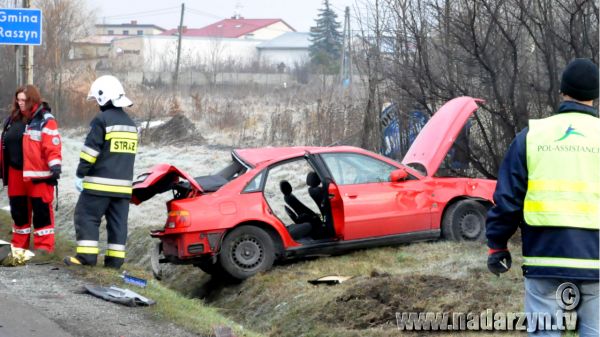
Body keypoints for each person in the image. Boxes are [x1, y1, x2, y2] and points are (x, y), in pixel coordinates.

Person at [486, 58, 599, 336]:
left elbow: (508, 199)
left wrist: (497, 244)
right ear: (595, 97)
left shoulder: (532, 137)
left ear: (562, 92)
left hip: (544, 259)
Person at [64, 75, 137, 269]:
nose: (97, 104)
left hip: (98, 185)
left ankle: (86, 258)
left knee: (85, 216)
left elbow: (90, 152)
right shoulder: (131, 124)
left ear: (104, 97)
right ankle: (114, 263)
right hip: (123, 189)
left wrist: (81, 173)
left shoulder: (102, 120)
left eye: (97, 99)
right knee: (118, 224)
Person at [0, 85, 62, 254]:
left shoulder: (44, 119)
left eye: (24, 100)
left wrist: (55, 165)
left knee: (41, 212)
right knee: (19, 211)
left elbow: (52, 144)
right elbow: (5, 144)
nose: (20, 103)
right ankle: (19, 247)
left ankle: (44, 248)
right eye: (18, 100)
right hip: (15, 173)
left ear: (33, 100)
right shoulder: (12, 120)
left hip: (38, 174)